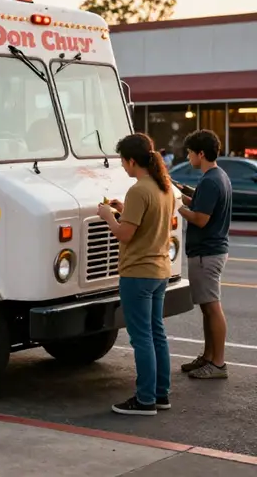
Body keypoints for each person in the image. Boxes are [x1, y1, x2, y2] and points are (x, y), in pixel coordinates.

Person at [97, 133, 173, 416]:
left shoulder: (139, 189)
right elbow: (147, 223)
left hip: (137, 273)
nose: (123, 167)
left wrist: (108, 216)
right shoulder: (161, 187)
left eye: (123, 162)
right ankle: (161, 394)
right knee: (156, 334)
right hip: (159, 271)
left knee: (141, 337)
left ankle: (144, 400)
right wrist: (123, 210)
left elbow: (125, 235)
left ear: (131, 160)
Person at [175, 129, 232, 379]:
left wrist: (176, 206)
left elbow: (200, 218)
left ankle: (217, 363)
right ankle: (208, 357)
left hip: (206, 253)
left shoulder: (210, 180)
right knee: (207, 309)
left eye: (190, 153)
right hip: (210, 251)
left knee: (212, 308)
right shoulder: (218, 176)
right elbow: (198, 203)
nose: (188, 157)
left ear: (201, 153)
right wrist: (179, 192)